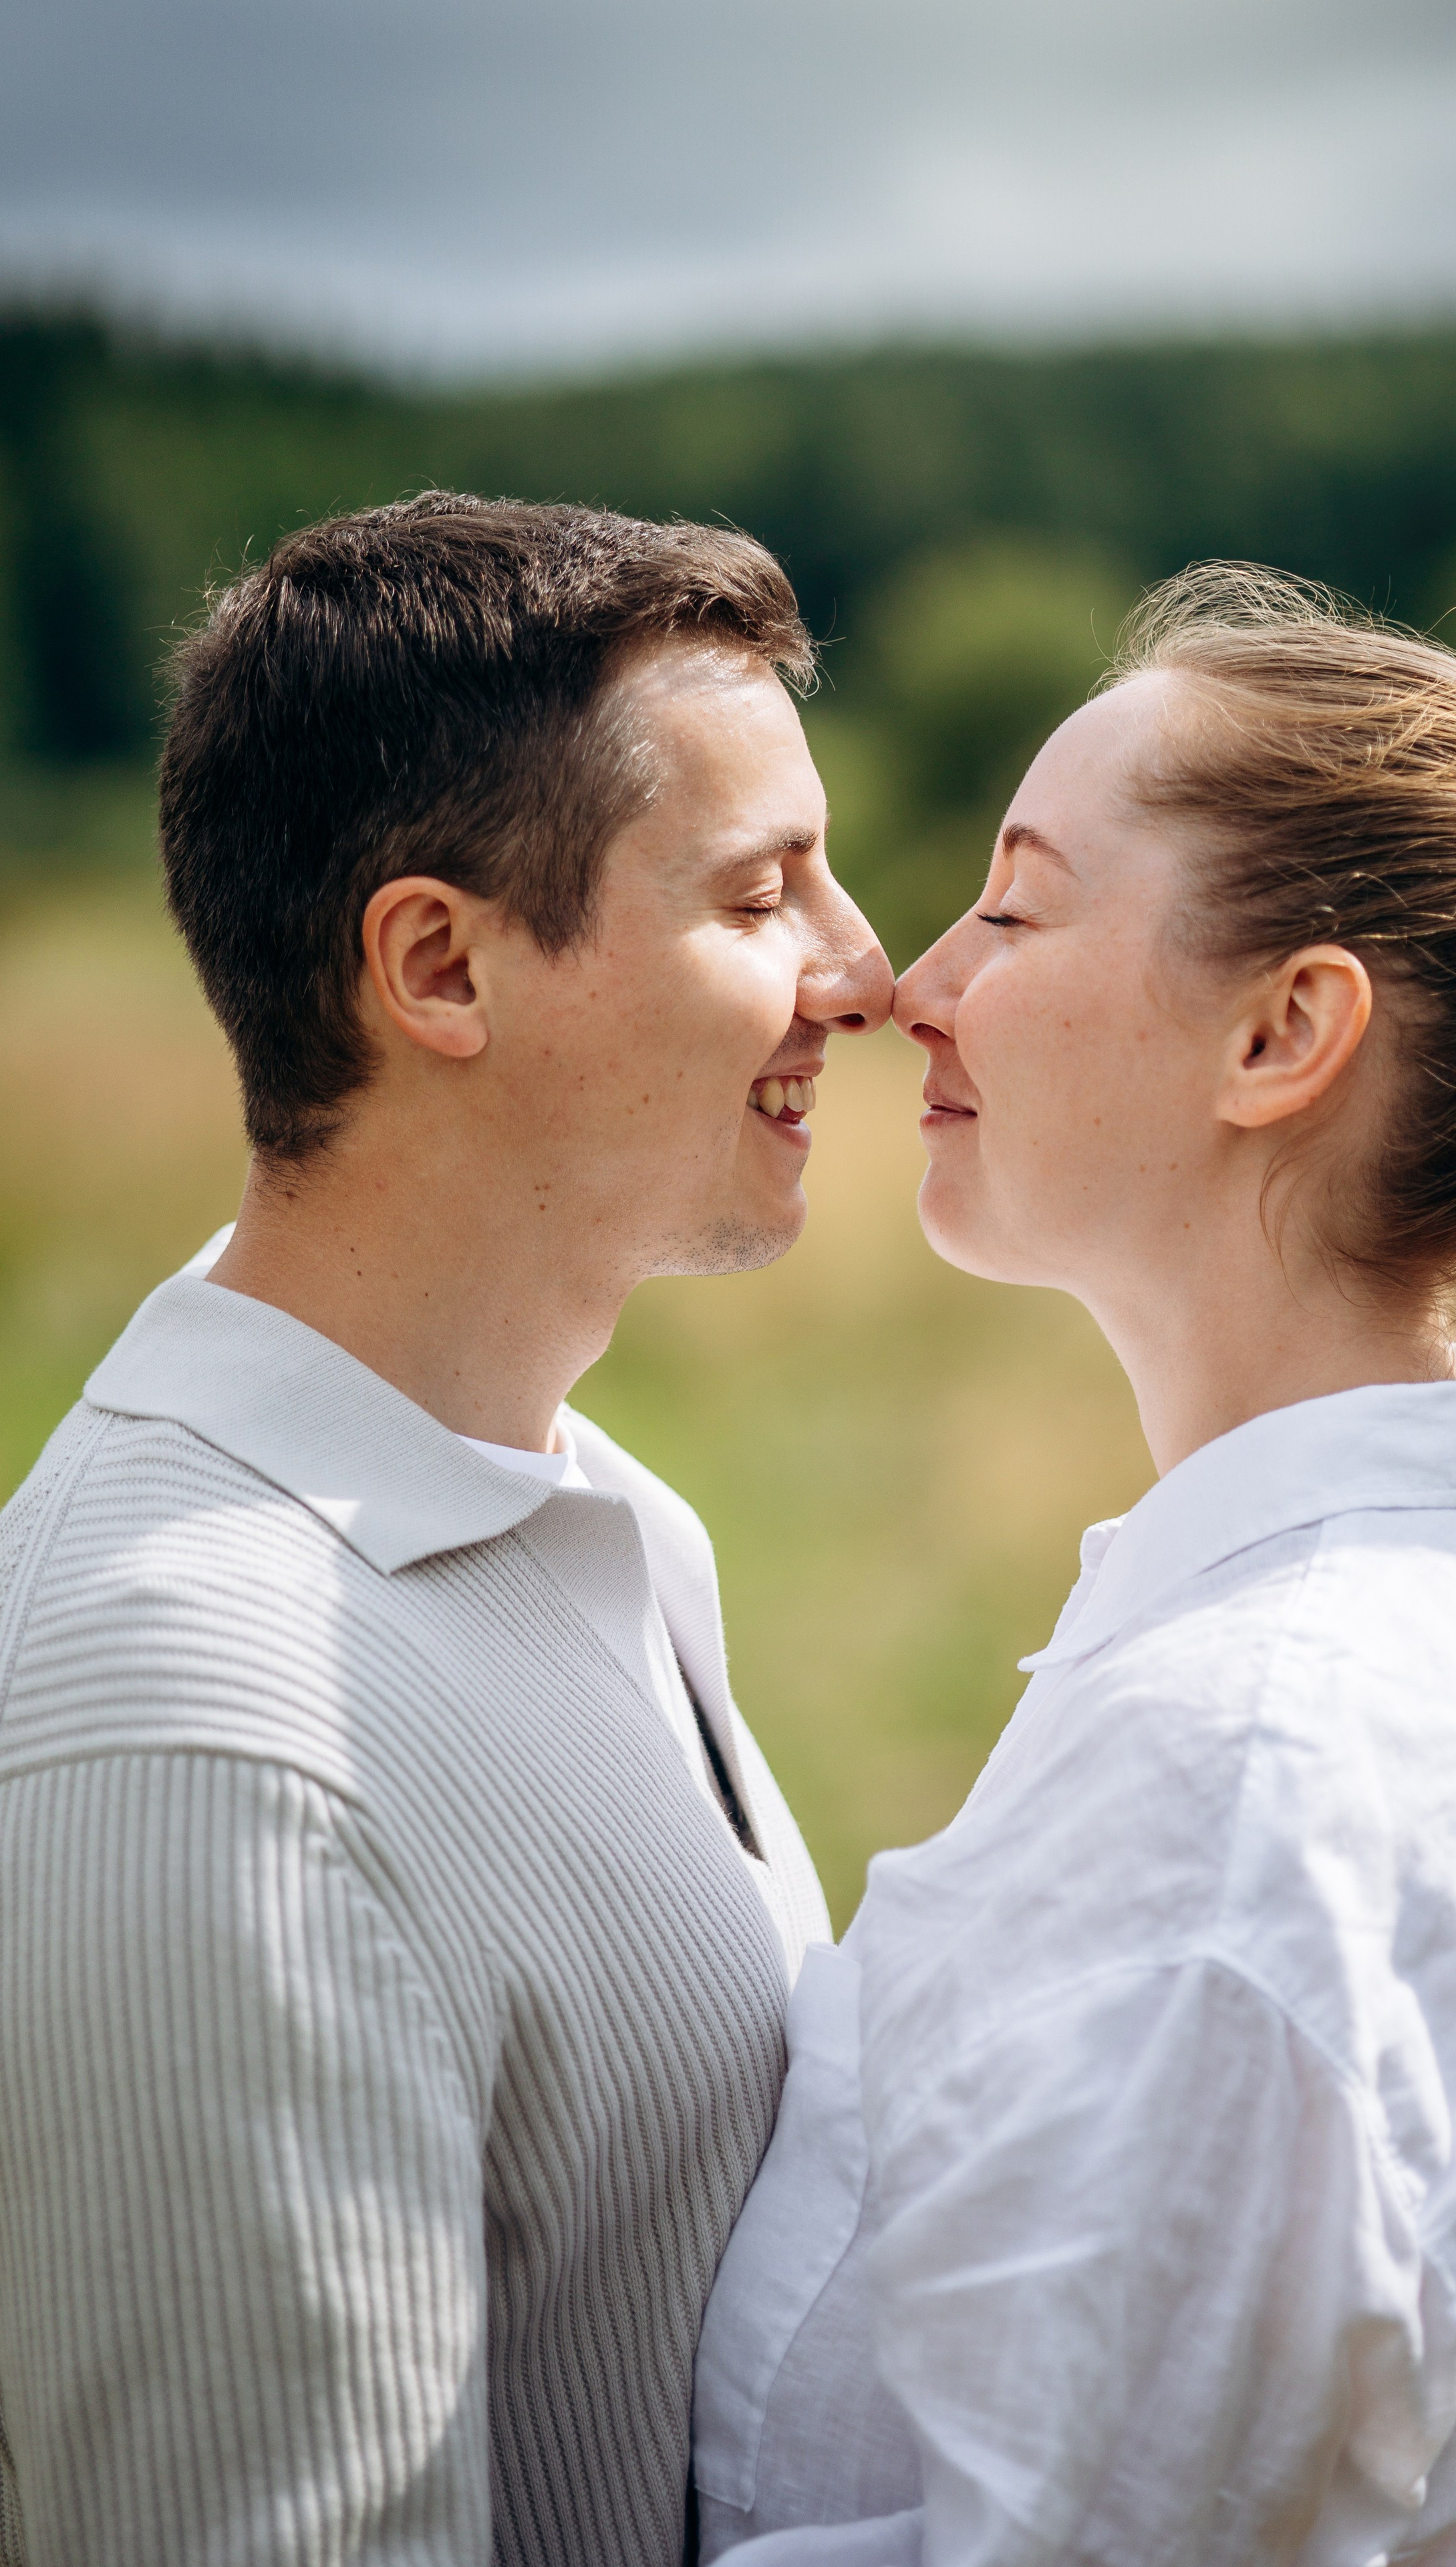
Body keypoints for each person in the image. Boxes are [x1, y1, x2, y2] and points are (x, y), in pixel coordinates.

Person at [691, 564, 1456, 2566]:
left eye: (1020, 897)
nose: (919, 975)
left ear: (1281, 1031)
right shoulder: (1423, 1596)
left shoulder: (1271, 1767)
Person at [0, 493, 891, 2566]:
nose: (863, 968)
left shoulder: (606, 1513)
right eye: (765, 893)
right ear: (440, 964)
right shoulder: (208, 1750)